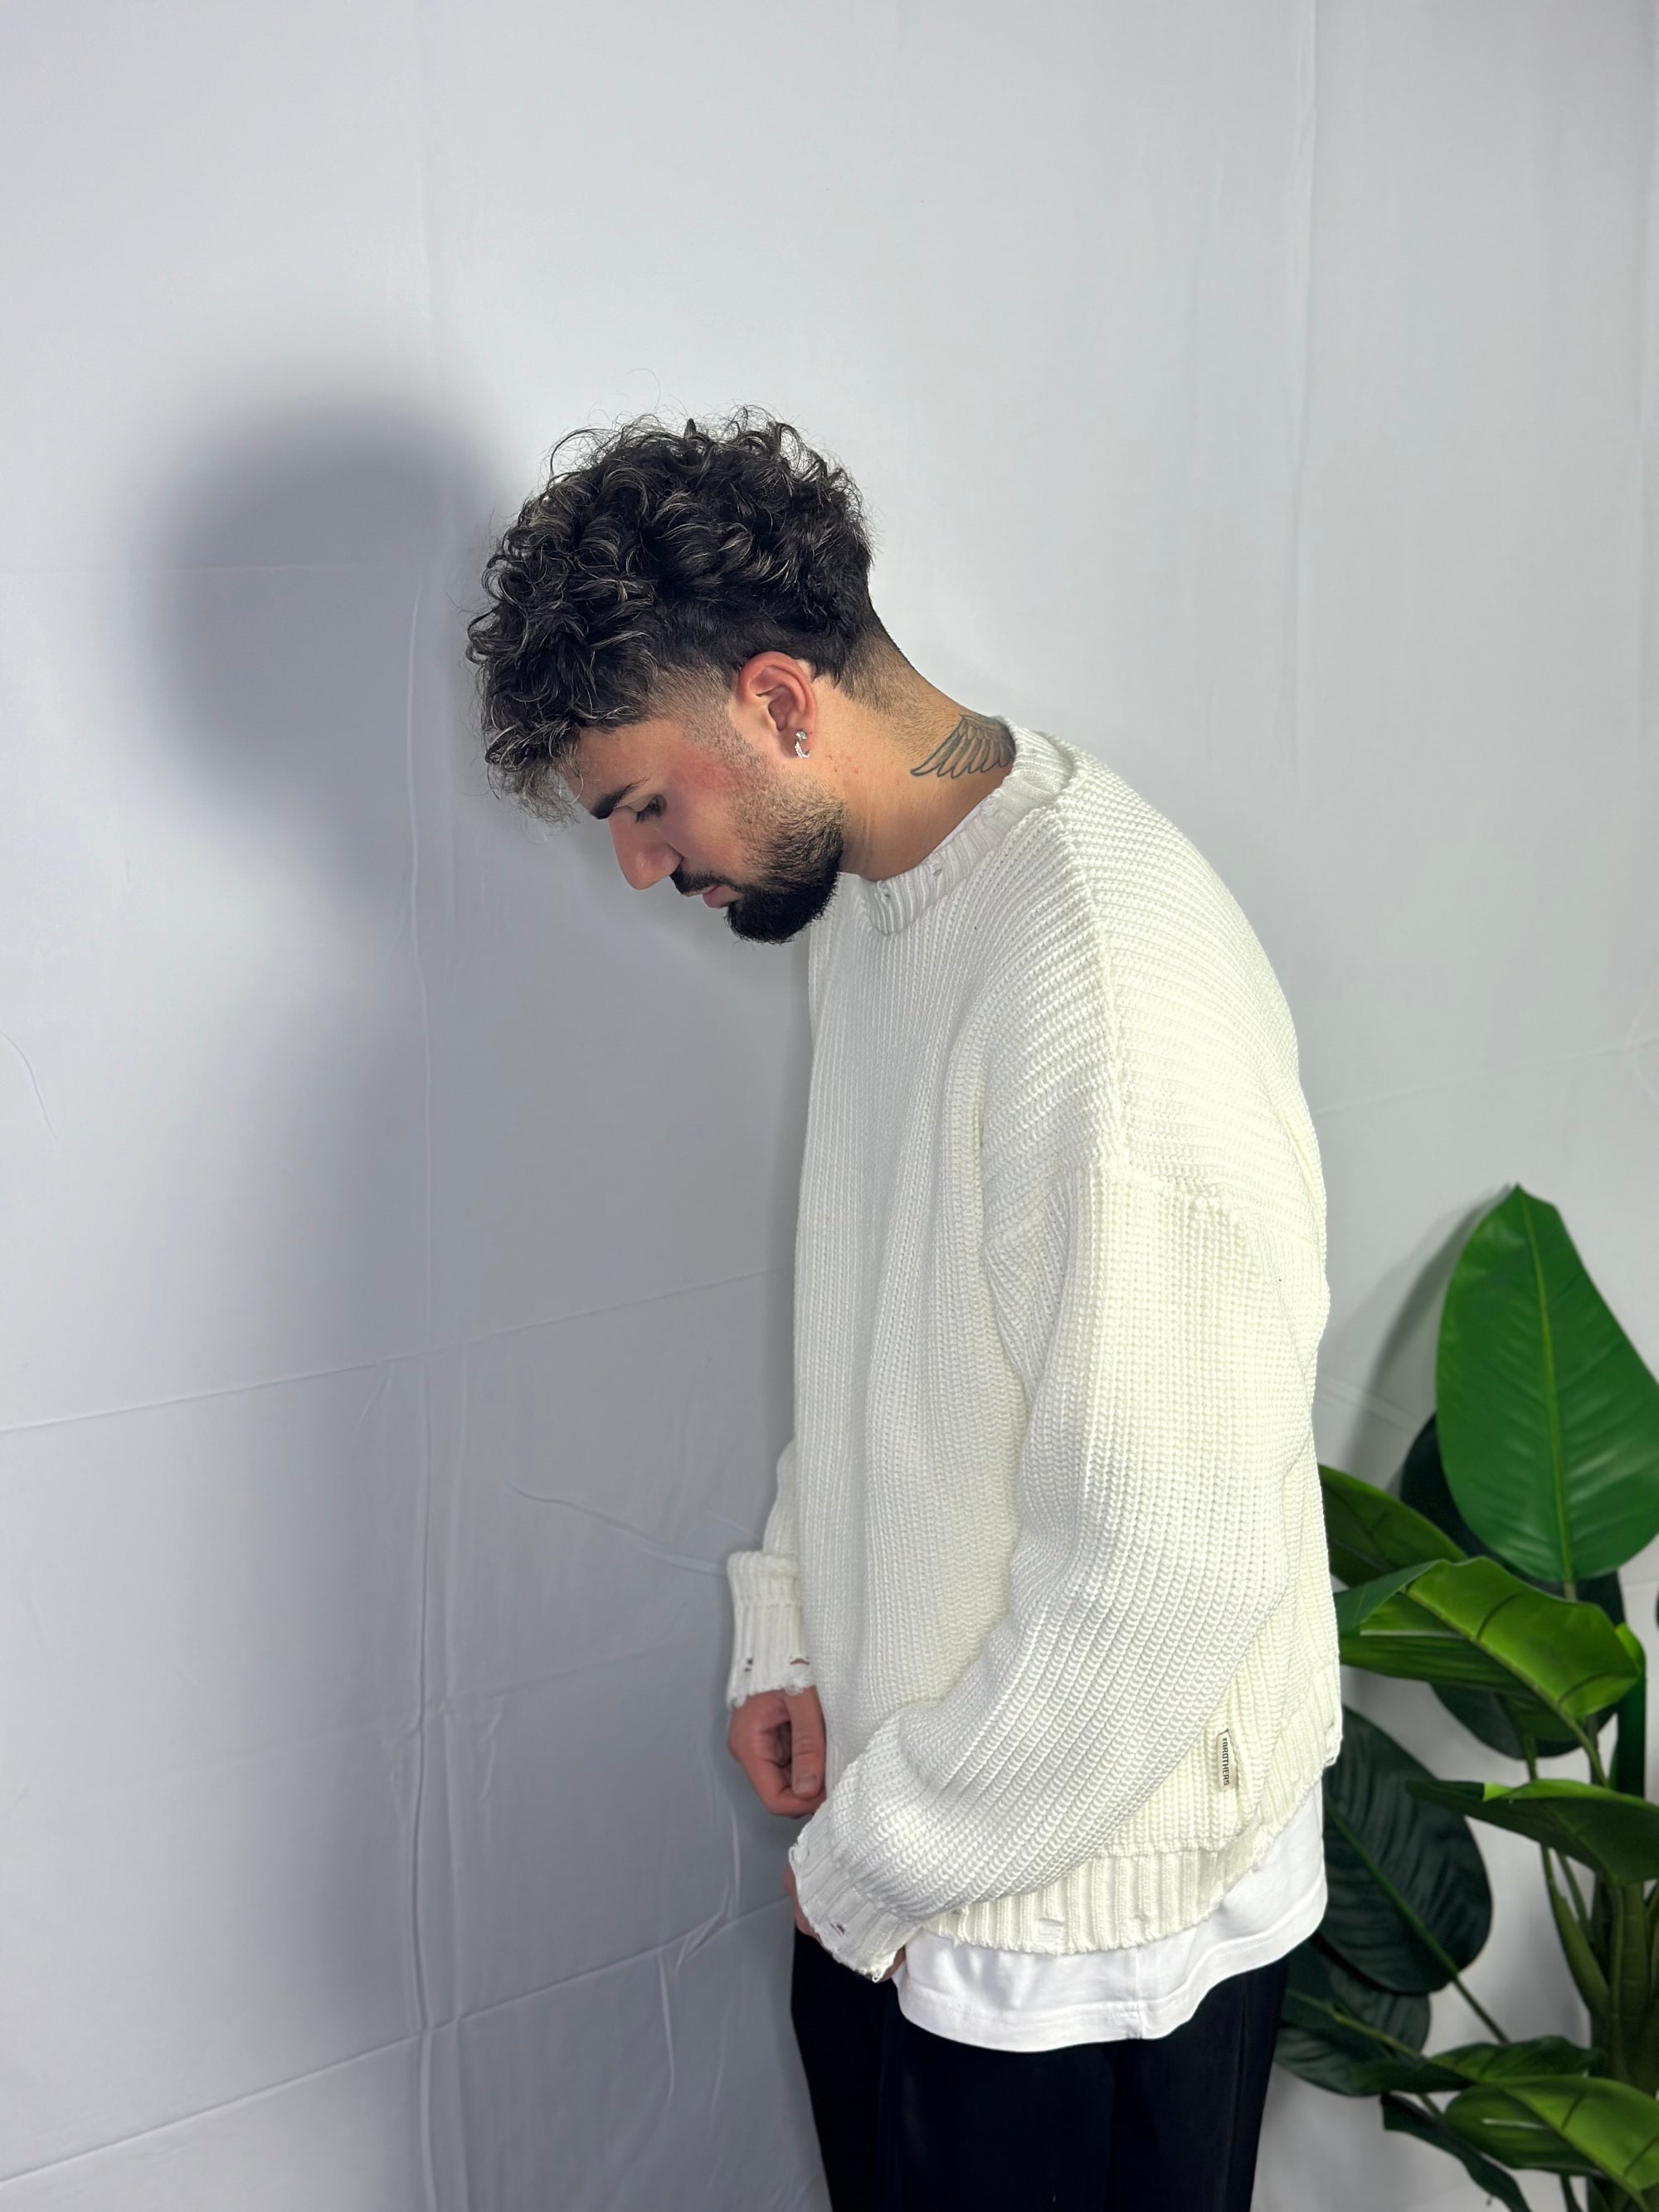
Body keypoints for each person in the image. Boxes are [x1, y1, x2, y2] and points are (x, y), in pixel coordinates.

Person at [466, 411, 1343, 2212]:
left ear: (780, 701)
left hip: (1084, 1952)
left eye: (645, 804)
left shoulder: (1102, 985)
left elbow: (1167, 1569)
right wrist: (792, 1626)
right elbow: (884, 1330)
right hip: (927, 1867)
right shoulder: (886, 895)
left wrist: (881, 1852)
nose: (641, 865)